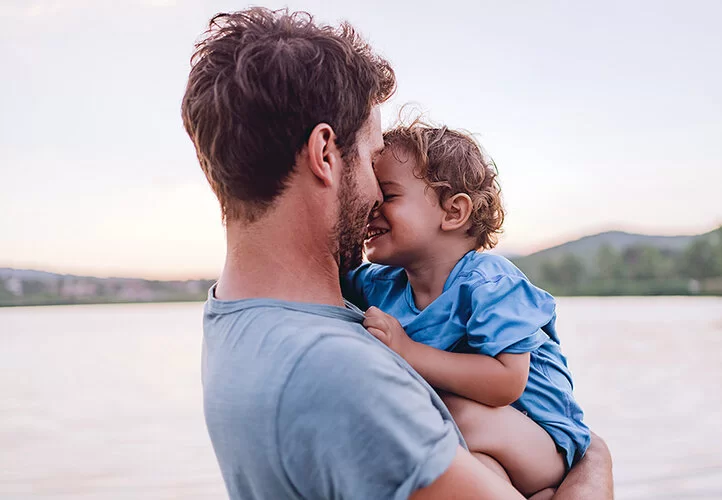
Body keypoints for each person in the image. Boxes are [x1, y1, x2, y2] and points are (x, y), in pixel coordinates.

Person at [181, 6, 613, 499]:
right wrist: (596, 459)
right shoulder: (341, 371)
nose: (374, 198)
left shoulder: (238, 316)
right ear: (325, 155)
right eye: (369, 157)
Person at [342, 121, 590, 498]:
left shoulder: (489, 283)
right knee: (471, 469)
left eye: (387, 197)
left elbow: (507, 382)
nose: (370, 210)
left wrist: (408, 351)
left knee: (444, 414)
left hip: (544, 442)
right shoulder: (379, 283)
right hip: (483, 447)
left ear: (454, 212)